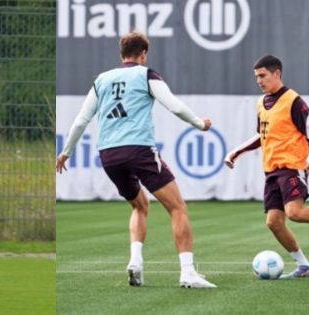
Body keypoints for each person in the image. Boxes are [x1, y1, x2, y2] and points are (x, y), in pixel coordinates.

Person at [56, 31, 216, 289]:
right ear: (143, 54)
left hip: (108, 154)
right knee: (177, 208)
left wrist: (66, 152)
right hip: (139, 150)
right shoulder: (146, 74)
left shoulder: (102, 79)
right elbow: (173, 106)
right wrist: (200, 124)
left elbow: (81, 120)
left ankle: (135, 262)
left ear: (122, 55)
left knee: (139, 205)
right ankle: (187, 272)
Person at [225, 54, 309, 279]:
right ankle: (304, 266)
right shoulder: (261, 103)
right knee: (274, 222)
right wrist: (236, 152)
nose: (259, 81)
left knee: (294, 212)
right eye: (256, 77)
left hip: (292, 166)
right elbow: (261, 135)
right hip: (271, 170)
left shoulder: (293, 100)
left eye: (263, 76)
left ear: (277, 74)